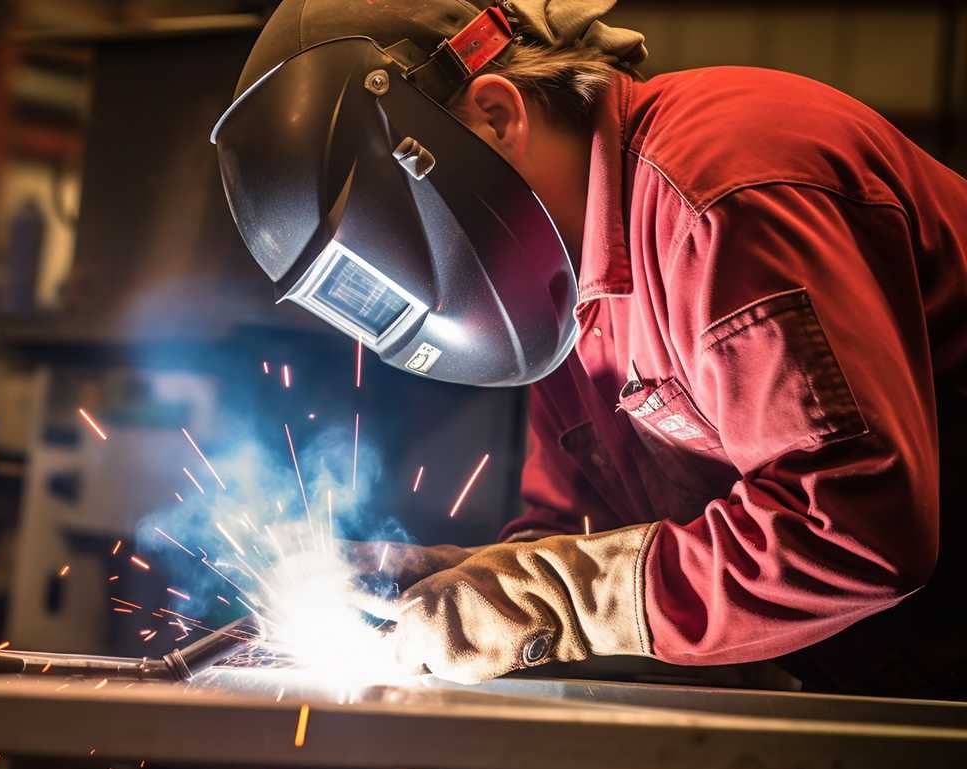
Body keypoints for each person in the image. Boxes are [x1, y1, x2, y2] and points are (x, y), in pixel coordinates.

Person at [211, 0, 967, 697]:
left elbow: (859, 529)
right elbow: (589, 538)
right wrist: (463, 585)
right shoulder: (565, 279)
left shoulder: (723, 195)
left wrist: (553, 599)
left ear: (498, 115)